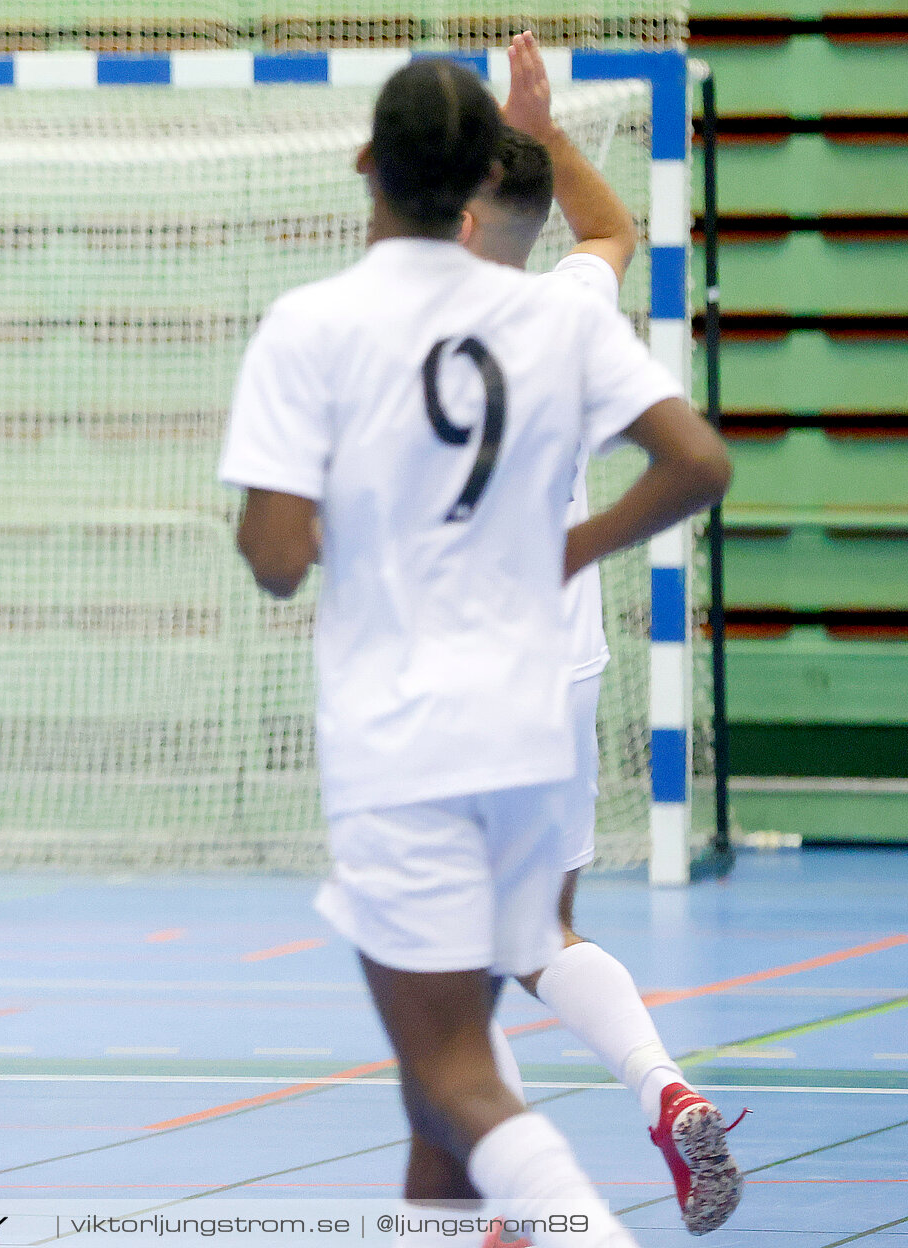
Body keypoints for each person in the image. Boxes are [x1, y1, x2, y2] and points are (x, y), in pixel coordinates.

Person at [219, 57, 730, 1247]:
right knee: (465, 1039)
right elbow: (698, 462)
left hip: (408, 729)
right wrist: (562, 550)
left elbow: (277, 555)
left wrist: (341, 518)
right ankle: (631, 1110)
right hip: (535, 710)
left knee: (453, 1069)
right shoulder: (554, 314)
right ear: (481, 181)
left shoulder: (317, 324)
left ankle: (580, 1227)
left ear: (369, 165)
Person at [464, 33, 742, 1236]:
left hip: (454, 688)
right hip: (567, 662)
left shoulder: (396, 337)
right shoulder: (567, 305)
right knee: (540, 931)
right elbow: (614, 233)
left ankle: (518, 1214)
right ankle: (662, 1085)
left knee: (453, 980)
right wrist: (545, 124)